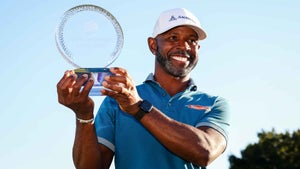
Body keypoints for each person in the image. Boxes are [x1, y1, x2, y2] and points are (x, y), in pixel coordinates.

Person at [57, 8, 230, 169]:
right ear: (153, 45)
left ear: (198, 48)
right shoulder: (116, 101)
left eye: (191, 40)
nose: (184, 46)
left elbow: (205, 152)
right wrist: (84, 116)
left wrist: (138, 107)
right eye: (173, 38)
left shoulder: (214, 104)